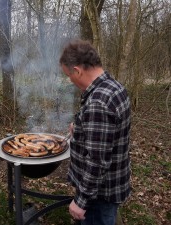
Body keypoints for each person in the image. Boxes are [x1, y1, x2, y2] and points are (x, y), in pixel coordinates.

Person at [59, 40, 131, 225]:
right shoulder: (113, 87)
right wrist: (82, 128)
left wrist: (81, 201)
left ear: (78, 70)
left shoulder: (98, 102)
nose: (70, 80)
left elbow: (97, 161)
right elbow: (110, 135)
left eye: (69, 75)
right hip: (111, 185)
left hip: (98, 195)